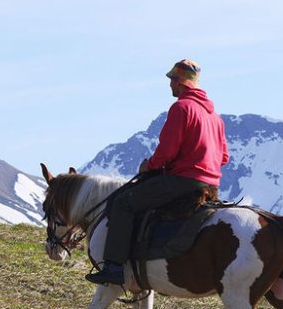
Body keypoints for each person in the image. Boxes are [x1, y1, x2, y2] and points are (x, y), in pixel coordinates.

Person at [86, 59, 230, 285]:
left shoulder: (182, 108)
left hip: (183, 181)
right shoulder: (215, 117)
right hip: (210, 186)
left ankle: (114, 267)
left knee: (123, 202)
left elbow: (167, 151)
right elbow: (224, 157)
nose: (170, 84)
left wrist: (150, 166)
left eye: (172, 79)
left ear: (180, 82)